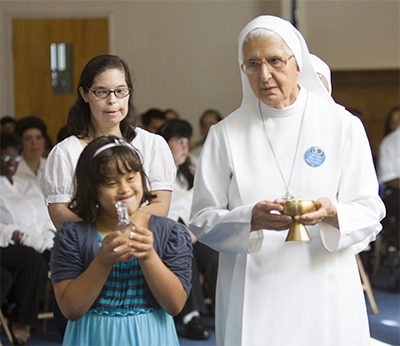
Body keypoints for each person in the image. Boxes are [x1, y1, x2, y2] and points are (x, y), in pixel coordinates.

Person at [189, 15, 385, 346]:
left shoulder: (342, 125)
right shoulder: (226, 134)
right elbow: (201, 218)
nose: (264, 75)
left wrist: (332, 212)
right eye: (252, 64)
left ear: (298, 62)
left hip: (325, 284)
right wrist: (248, 219)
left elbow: (369, 208)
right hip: (253, 289)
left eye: (275, 61)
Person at [50, 135, 192, 345]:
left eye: (130, 177)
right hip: (92, 337)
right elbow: (71, 309)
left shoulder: (170, 233)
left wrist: (149, 256)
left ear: (142, 178)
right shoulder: (72, 236)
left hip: (151, 336)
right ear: (92, 189)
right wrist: (102, 261)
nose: (124, 189)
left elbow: (175, 305)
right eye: (111, 183)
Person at [41, 55, 176, 231]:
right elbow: (60, 212)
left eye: (120, 91)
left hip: (142, 243)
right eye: (101, 92)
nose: (112, 100)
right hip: (88, 249)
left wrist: (123, 229)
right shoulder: (65, 152)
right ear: (84, 94)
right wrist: (103, 235)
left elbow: (160, 205)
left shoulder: (152, 144)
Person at [157, 120, 219, 340]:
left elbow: (203, 206)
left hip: (195, 230)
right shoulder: (152, 173)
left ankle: (221, 310)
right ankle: (191, 316)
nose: (185, 147)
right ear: (166, 144)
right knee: (184, 254)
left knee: (215, 255)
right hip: (166, 234)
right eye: (179, 142)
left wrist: (195, 229)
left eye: (187, 142)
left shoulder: (191, 171)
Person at [0, 131, 50, 345]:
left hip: (40, 240)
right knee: (31, 260)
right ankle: (22, 321)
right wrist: (14, 234)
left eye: (15, 157)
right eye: (6, 157)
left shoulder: (26, 184)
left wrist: (47, 236)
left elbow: (46, 216)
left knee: (67, 253)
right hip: (8, 242)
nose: (12, 162)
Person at [14, 115, 48, 188]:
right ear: (20, 142)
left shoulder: (50, 166)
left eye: (38, 137)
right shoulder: (13, 168)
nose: (34, 143)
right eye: (28, 139)